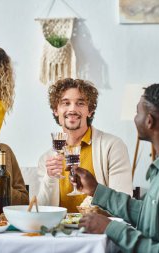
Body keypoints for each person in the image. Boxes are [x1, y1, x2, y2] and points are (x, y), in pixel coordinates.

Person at [74, 82, 159, 252]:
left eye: (137, 113)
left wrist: (110, 228)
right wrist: (96, 190)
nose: (135, 118)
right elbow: (149, 215)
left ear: (149, 121)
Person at [37, 78, 133, 213]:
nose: (72, 109)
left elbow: (122, 203)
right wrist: (50, 177)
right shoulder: (46, 159)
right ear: (55, 110)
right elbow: (41, 211)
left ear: (90, 111)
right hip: (58, 232)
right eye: (66, 103)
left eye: (80, 103)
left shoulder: (112, 146)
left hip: (100, 230)